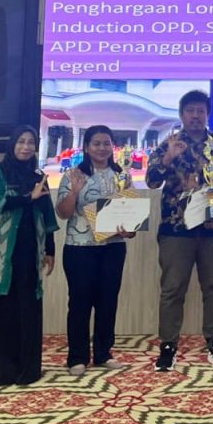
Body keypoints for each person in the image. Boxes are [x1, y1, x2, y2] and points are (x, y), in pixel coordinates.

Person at [146, 90, 213, 371]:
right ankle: (168, 346)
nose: (196, 116)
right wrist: (167, 158)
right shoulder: (169, 144)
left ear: (207, 114)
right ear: (181, 115)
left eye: (201, 111)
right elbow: (151, 181)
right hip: (177, 229)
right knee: (172, 289)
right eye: (190, 111)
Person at [0, 126, 57, 386]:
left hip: (29, 251)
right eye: (21, 141)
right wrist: (29, 197)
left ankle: (27, 371)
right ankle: (0, 373)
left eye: (31, 142)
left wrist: (50, 249)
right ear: (12, 144)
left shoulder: (38, 176)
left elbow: (47, 214)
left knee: (27, 310)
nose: (26, 147)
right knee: (0, 312)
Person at [55, 125, 136, 376]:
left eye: (106, 143)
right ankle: (77, 357)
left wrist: (129, 229)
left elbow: (131, 219)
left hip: (113, 248)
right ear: (87, 147)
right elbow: (63, 213)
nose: (102, 148)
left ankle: (103, 353)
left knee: (108, 301)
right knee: (80, 302)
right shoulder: (73, 175)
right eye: (96, 143)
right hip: (79, 248)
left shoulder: (122, 175)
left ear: (113, 146)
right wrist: (74, 192)